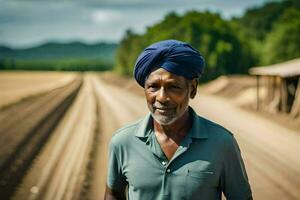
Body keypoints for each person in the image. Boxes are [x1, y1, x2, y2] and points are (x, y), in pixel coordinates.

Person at [105, 40, 252, 200]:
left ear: (193, 89)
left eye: (173, 87)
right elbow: (113, 194)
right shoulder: (122, 142)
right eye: (153, 87)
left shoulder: (222, 143)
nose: (162, 98)